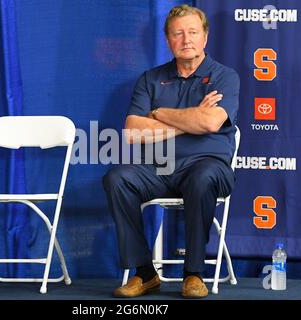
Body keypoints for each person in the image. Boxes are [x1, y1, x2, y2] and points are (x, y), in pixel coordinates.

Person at [103, 4, 240, 298]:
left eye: (192, 32)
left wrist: (158, 113)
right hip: (159, 169)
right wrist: (190, 121)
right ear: (168, 40)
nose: (186, 39)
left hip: (208, 165)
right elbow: (132, 131)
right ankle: (144, 273)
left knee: (201, 178)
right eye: (178, 33)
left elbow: (210, 122)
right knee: (117, 178)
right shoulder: (150, 79)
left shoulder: (224, 76)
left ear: (205, 38)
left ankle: (193, 274)